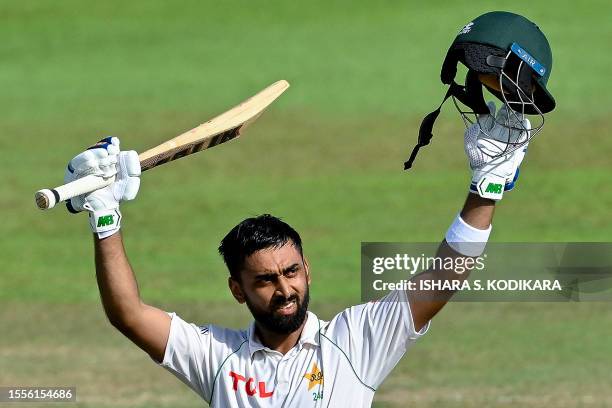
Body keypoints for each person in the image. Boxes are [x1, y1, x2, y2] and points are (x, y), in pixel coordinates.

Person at [62, 11, 553, 408]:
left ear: (306, 267)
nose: (284, 288)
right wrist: (105, 218)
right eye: (265, 280)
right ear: (237, 289)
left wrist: (484, 192)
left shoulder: (355, 343)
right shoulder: (218, 358)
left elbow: (442, 279)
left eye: (291, 271)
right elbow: (127, 314)